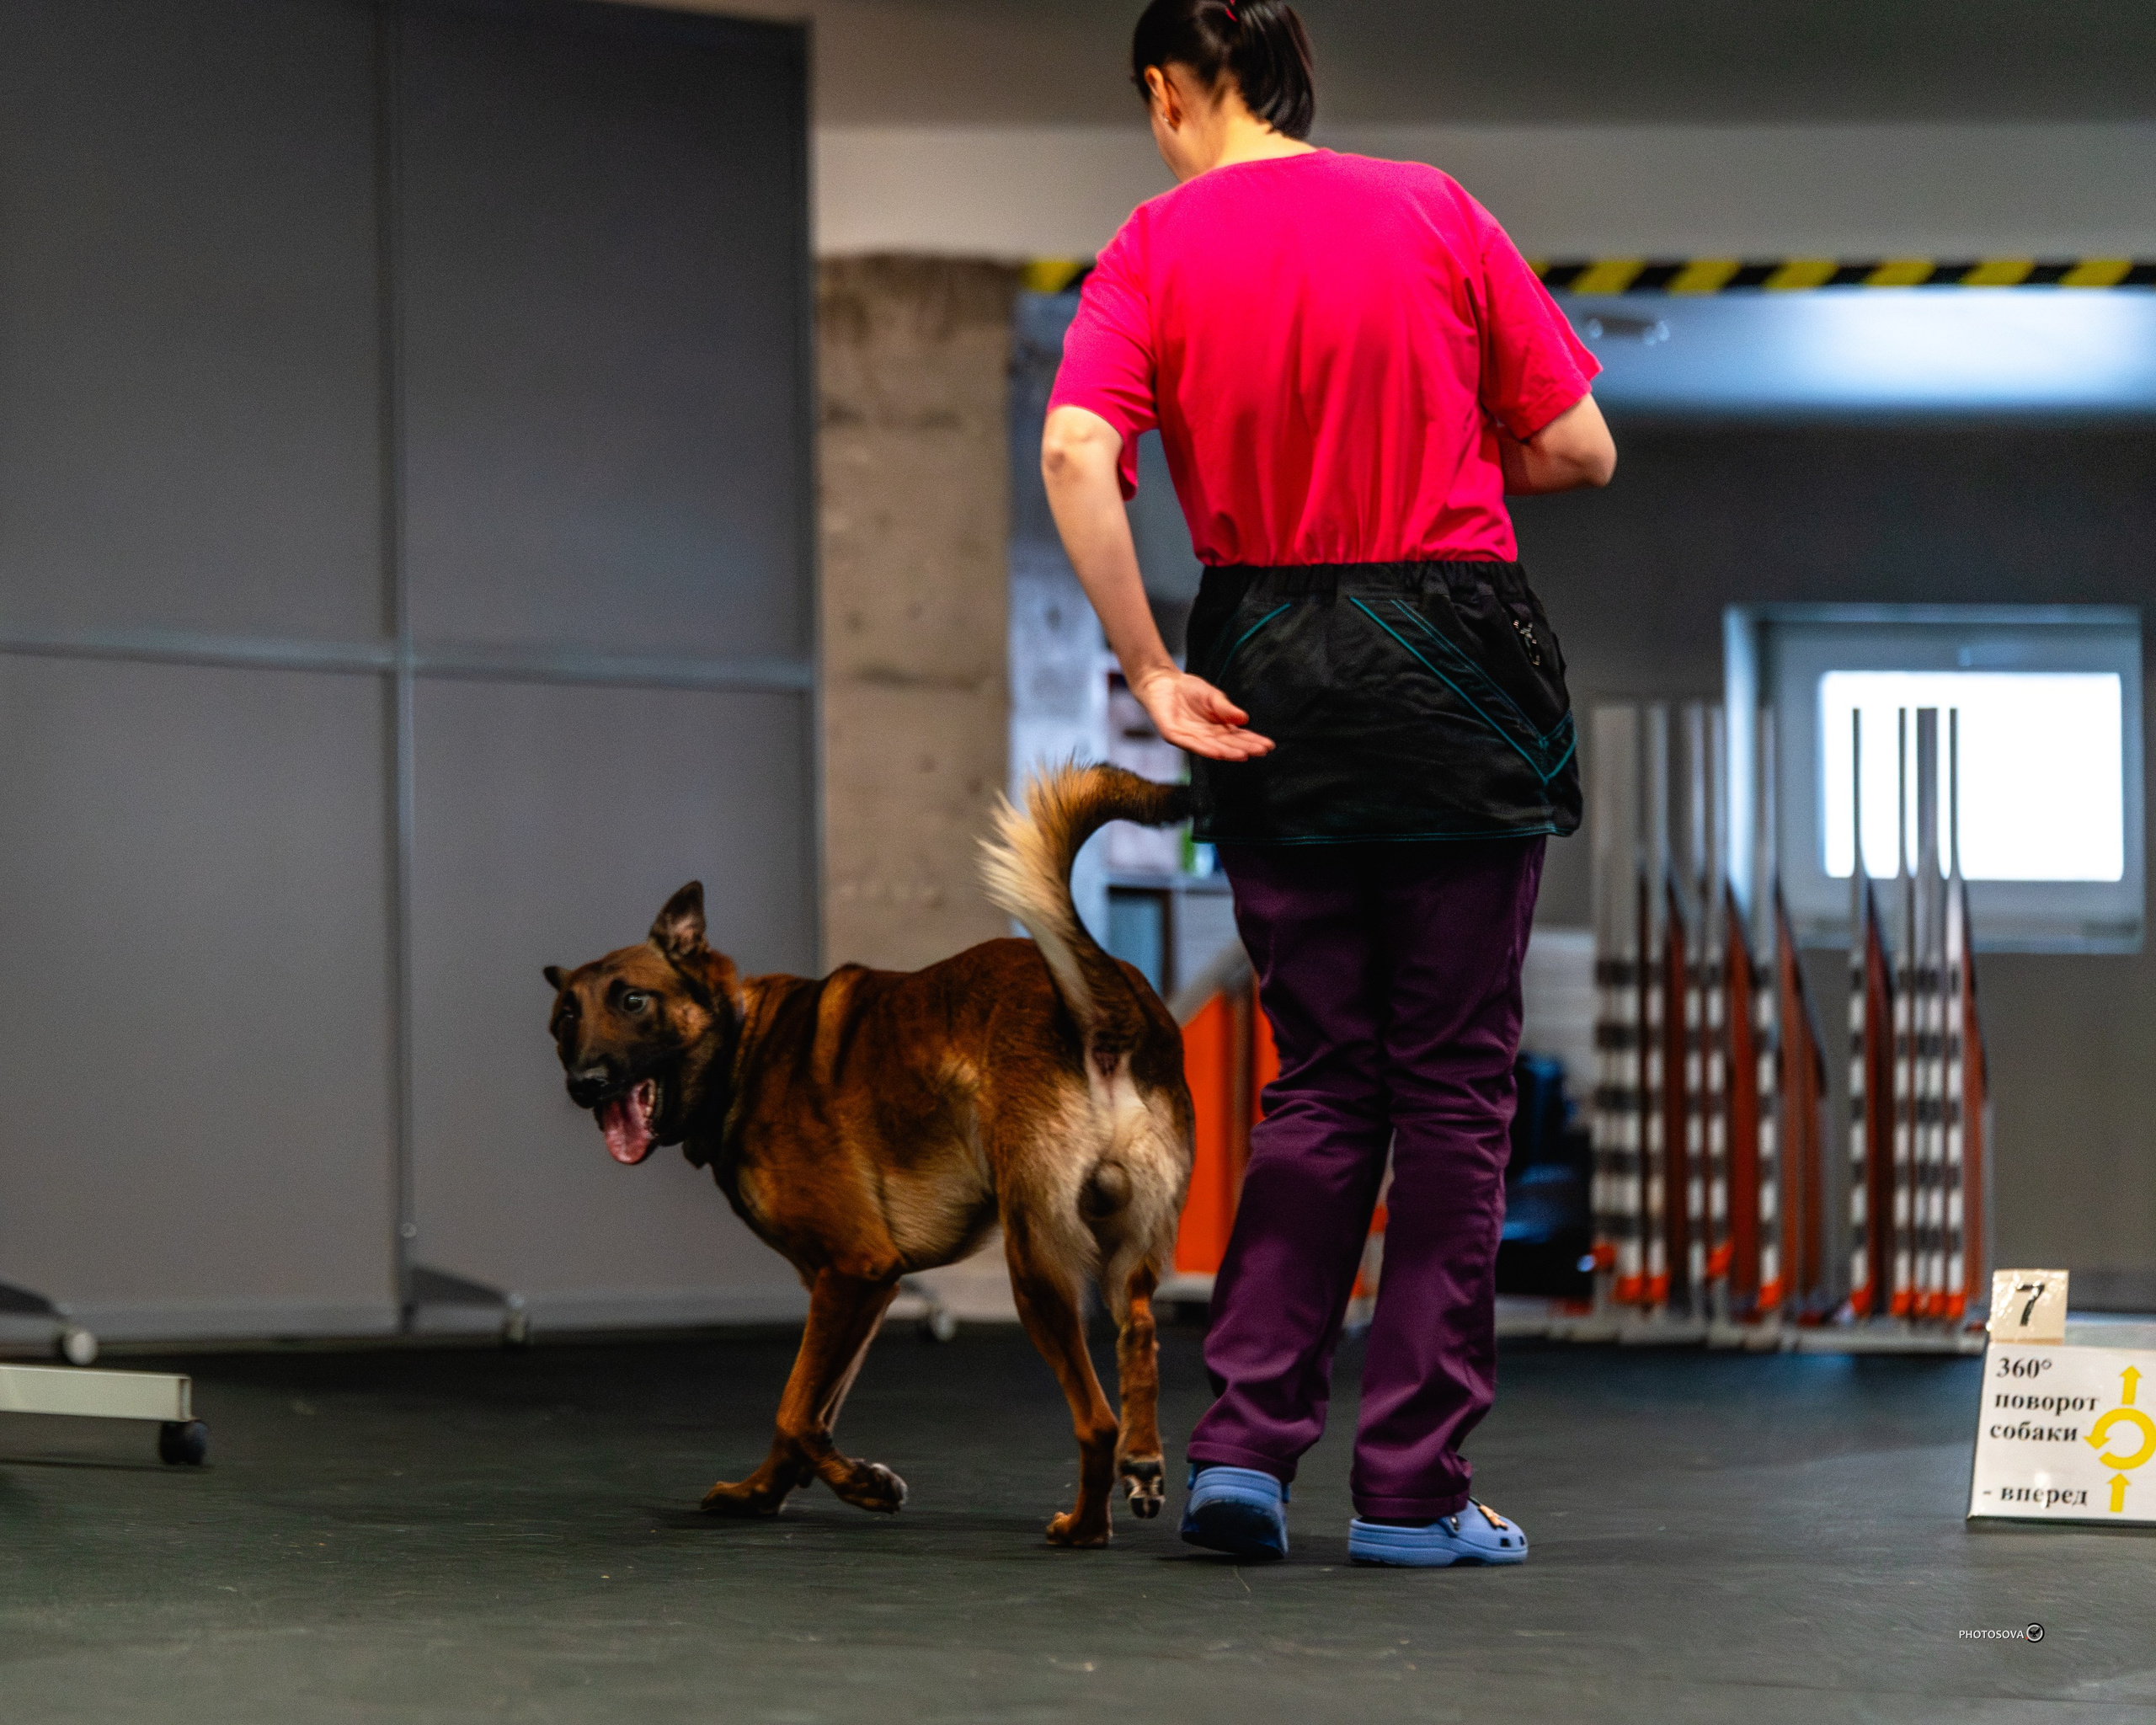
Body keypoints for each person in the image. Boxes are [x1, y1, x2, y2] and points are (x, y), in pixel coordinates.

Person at [1040, 0, 1614, 1567]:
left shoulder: (1152, 246)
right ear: (1296, 79)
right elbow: (1581, 448)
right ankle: (1415, 1497)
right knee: (1452, 1095)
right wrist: (1442, 449)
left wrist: (1153, 667)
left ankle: (1240, 1459)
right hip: (1454, 671)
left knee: (1317, 1087)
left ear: (1167, 91)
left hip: (1266, 669)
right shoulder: (1433, 207)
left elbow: (1078, 455)